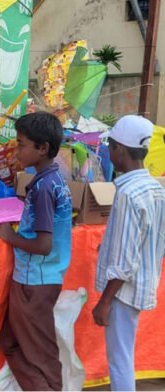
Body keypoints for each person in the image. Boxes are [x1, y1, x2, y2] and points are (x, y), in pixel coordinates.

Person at [0, 112, 73, 391]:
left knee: (41, 353)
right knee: (11, 342)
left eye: (21, 144)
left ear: (42, 148)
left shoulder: (43, 187)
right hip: (35, 278)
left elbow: (43, 245)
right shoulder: (51, 180)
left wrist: (10, 236)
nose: (17, 150)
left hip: (35, 281)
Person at [92, 115, 165, 391]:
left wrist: (105, 302)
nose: (109, 154)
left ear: (119, 150)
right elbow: (154, 239)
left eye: (110, 148)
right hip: (141, 284)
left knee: (119, 360)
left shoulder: (127, 194)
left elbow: (124, 262)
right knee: (124, 353)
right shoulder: (155, 189)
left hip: (122, 292)